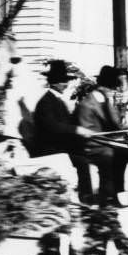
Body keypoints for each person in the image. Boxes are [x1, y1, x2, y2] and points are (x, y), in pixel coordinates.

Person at [33, 60, 95, 201]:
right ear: (54, 83)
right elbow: (53, 127)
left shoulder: (59, 100)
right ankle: (87, 199)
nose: (66, 85)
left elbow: (67, 124)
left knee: (84, 155)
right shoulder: (45, 102)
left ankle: (86, 197)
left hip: (61, 146)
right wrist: (77, 129)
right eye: (63, 82)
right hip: (49, 149)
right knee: (82, 162)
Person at [76, 65, 128, 206]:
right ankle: (107, 198)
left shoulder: (106, 100)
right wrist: (111, 142)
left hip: (106, 143)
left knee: (126, 152)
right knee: (109, 155)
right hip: (92, 146)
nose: (114, 91)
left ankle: (118, 192)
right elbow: (86, 134)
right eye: (112, 88)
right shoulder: (87, 104)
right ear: (103, 87)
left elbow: (116, 125)